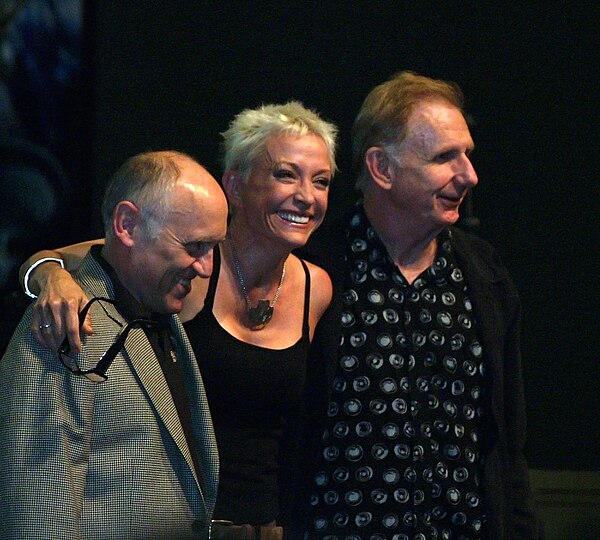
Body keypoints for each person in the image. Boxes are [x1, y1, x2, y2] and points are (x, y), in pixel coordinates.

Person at [17, 101, 338, 539]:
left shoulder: (315, 287)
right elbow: (101, 252)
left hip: (262, 526)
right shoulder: (181, 268)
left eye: (321, 181)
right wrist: (50, 277)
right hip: (177, 519)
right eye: (286, 174)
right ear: (235, 185)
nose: (307, 195)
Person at [300, 72, 543, 538]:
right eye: (444, 157)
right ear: (382, 168)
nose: (469, 175)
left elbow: (507, 445)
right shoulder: (316, 269)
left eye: (467, 154)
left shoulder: (485, 275)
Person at [1, 150, 228, 539]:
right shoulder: (63, 320)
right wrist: (46, 272)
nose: (207, 267)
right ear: (127, 225)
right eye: (194, 247)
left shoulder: (157, 307)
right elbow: (37, 509)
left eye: (212, 248)